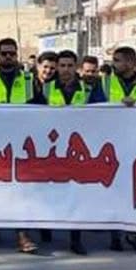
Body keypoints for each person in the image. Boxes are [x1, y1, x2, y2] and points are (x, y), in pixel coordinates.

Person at [0, 37, 41, 253]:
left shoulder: (30, 80)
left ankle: (22, 235)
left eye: (12, 53)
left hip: (22, 145)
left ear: (17, 55)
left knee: (20, 190)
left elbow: (42, 108)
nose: (8, 57)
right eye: (4, 54)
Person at [91, 46, 136, 254]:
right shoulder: (104, 83)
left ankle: (135, 234)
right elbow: (93, 109)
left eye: (117, 60)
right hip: (110, 144)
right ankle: (115, 233)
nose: (113, 64)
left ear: (129, 63)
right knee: (114, 188)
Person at [39, 50, 93, 255]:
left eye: (70, 66)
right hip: (50, 148)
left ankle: (76, 238)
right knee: (50, 190)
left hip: (80, 149)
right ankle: (45, 227)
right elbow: (30, 111)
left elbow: (106, 111)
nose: (66, 70)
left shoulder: (89, 90)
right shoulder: (44, 88)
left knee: (76, 193)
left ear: (76, 67)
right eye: (62, 66)